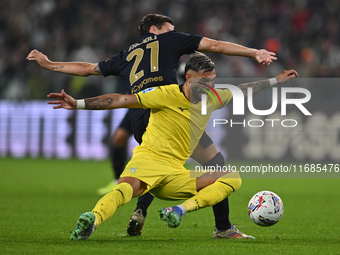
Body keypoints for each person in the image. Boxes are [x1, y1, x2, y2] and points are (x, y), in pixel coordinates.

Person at [27, 14, 277, 238]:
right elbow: (215, 45)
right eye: (170, 27)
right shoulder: (169, 40)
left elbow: (87, 68)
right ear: (156, 29)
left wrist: (49, 64)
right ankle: (222, 227)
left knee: (152, 166)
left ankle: (138, 210)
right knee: (216, 165)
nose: (173, 30)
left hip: (139, 117)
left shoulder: (125, 56)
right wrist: (254, 52)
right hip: (170, 109)